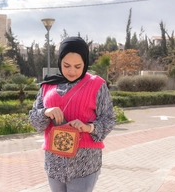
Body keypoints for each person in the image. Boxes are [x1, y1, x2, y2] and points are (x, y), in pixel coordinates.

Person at [29, 36, 116, 192]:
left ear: (85, 63)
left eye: (78, 66)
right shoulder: (48, 85)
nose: (72, 71)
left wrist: (88, 127)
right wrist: (46, 112)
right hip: (54, 162)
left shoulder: (96, 84)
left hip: (84, 164)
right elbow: (35, 121)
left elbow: (109, 119)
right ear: (60, 60)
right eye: (66, 65)